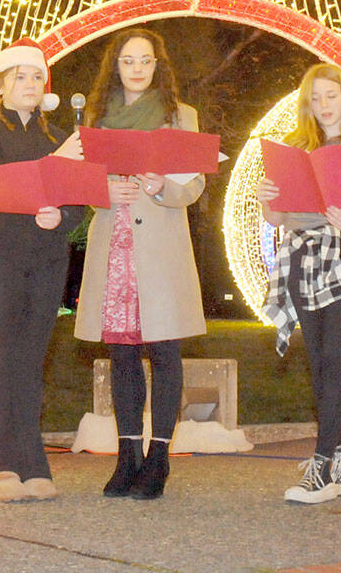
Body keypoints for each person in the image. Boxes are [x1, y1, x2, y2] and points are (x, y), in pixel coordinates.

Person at [74, 27, 206, 500]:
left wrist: (159, 186)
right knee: (122, 353)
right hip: (114, 244)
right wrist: (102, 192)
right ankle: (127, 455)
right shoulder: (96, 119)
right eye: (128, 60)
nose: (136, 68)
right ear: (116, 66)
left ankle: (159, 457)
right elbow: (77, 183)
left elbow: (192, 187)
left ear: (157, 66)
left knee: (165, 353)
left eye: (145, 60)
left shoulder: (180, 117)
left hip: (161, 249)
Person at [258, 63, 341, 504]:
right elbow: (277, 219)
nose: (323, 106)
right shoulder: (296, 148)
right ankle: (339, 460)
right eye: (315, 99)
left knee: (336, 355)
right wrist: (268, 202)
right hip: (302, 254)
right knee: (317, 359)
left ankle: (320, 467)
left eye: (330, 96)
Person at [0, 38, 84, 502]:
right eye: (21, 76)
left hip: (46, 259)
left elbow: (76, 199)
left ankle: (32, 464)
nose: (30, 84)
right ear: (1, 83)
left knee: (32, 362)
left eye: (37, 76)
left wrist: (64, 216)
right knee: (0, 357)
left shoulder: (56, 137)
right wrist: (54, 168)